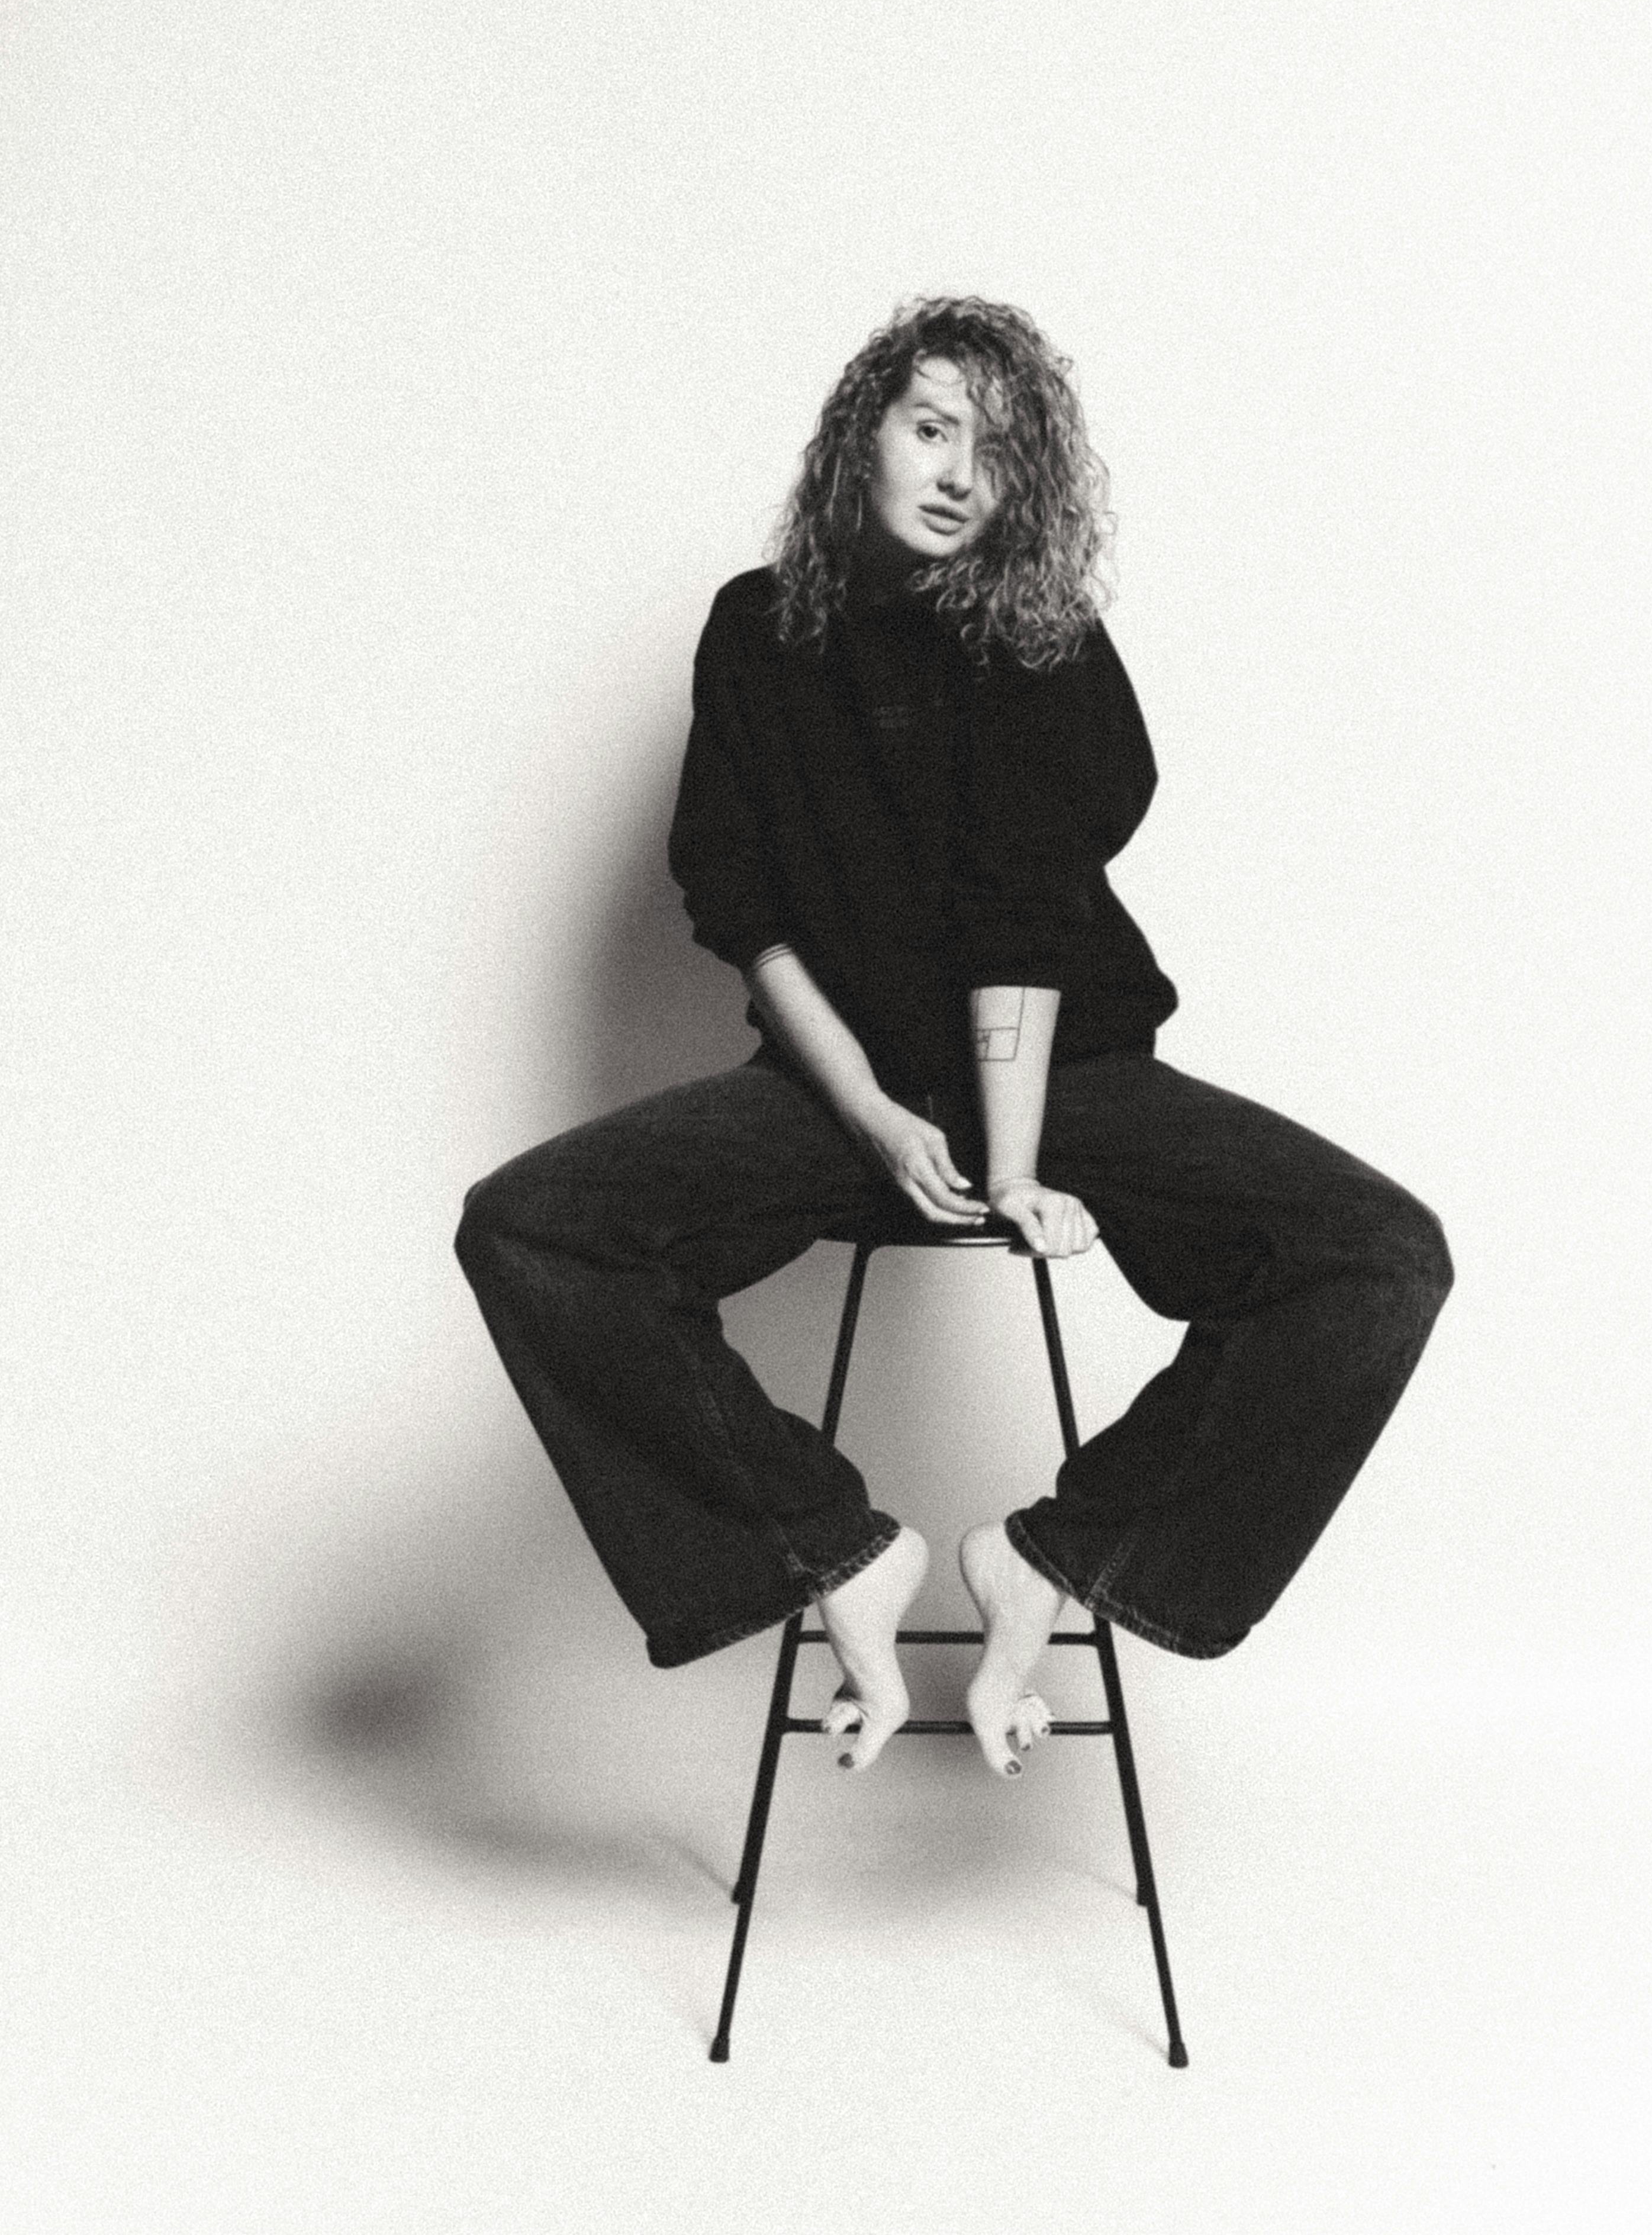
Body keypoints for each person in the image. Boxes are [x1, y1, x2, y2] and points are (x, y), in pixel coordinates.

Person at [455, 297, 1453, 1782]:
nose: (955, 473)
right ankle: (829, 1551)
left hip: (1064, 1076)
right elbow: (738, 900)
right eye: (930, 426)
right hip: (841, 1089)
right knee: (531, 1230)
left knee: (1377, 1256)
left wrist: (1014, 1161)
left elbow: (1019, 932)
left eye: (995, 452)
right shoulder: (755, 628)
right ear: (862, 426)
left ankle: (1056, 1562)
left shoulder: (1038, 643)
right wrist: (866, 1109)